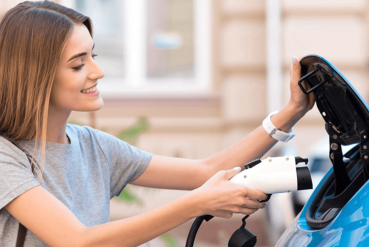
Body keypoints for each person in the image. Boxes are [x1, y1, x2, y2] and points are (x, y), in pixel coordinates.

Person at [0, 1, 315, 246]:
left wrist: (291, 111)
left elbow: (205, 171)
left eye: (93, 56)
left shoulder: (93, 146)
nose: (98, 71)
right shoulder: (6, 157)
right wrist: (195, 204)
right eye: (79, 64)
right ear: (37, 76)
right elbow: (77, 241)